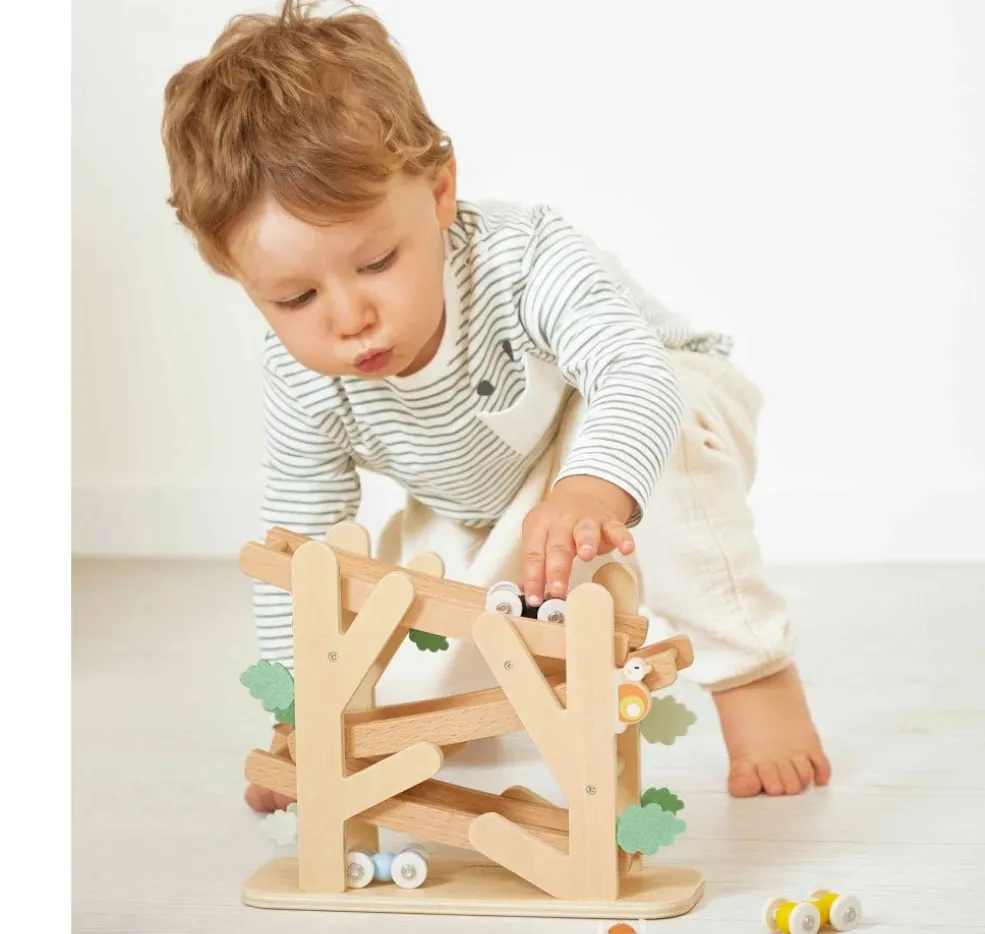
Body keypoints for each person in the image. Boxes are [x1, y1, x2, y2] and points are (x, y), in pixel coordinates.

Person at [160, 0, 831, 808]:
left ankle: (754, 675)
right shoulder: (302, 376)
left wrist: (591, 488)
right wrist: (298, 709)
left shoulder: (522, 258)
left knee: (668, 447)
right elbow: (301, 538)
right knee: (396, 668)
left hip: (654, 407)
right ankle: (452, 703)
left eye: (376, 262)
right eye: (296, 297)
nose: (349, 317)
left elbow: (633, 372)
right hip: (491, 499)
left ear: (440, 191)